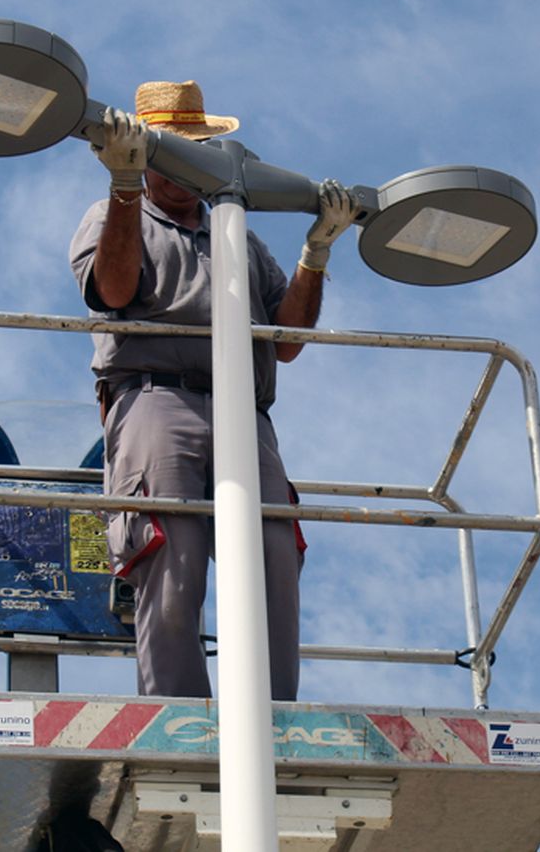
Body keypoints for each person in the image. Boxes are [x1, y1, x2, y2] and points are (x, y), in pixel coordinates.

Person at [68, 80, 356, 702]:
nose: (188, 165)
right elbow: (113, 292)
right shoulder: (114, 217)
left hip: (245, 414)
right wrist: (123, 187)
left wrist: (318, 250)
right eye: (174, 150)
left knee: (274, 552)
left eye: (196, 149)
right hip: (154, 399)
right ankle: (179, 711)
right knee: (170, 554)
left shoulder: (238, 237)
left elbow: (286, 339)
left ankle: (273, 715)